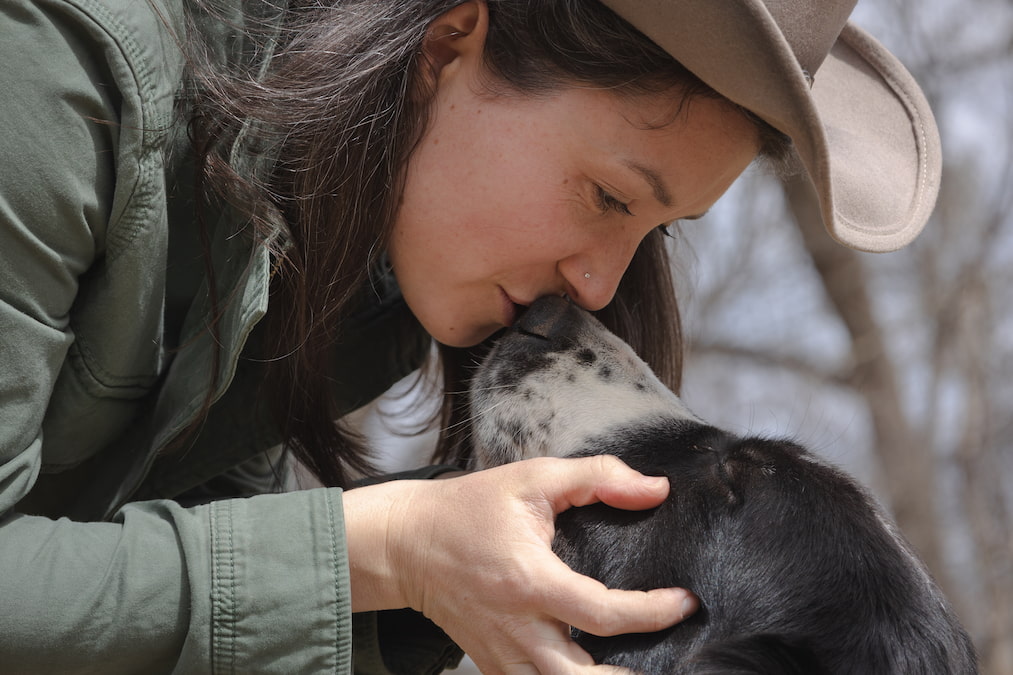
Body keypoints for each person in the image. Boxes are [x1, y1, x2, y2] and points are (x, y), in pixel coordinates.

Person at [0, 0, 940, 672]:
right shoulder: (56, 74)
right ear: (450, 42)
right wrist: (394, 550)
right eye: (608, 196)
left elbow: (160, 596)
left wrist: (448, 600)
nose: (598, 286)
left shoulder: (356, 282)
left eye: (650, 231)